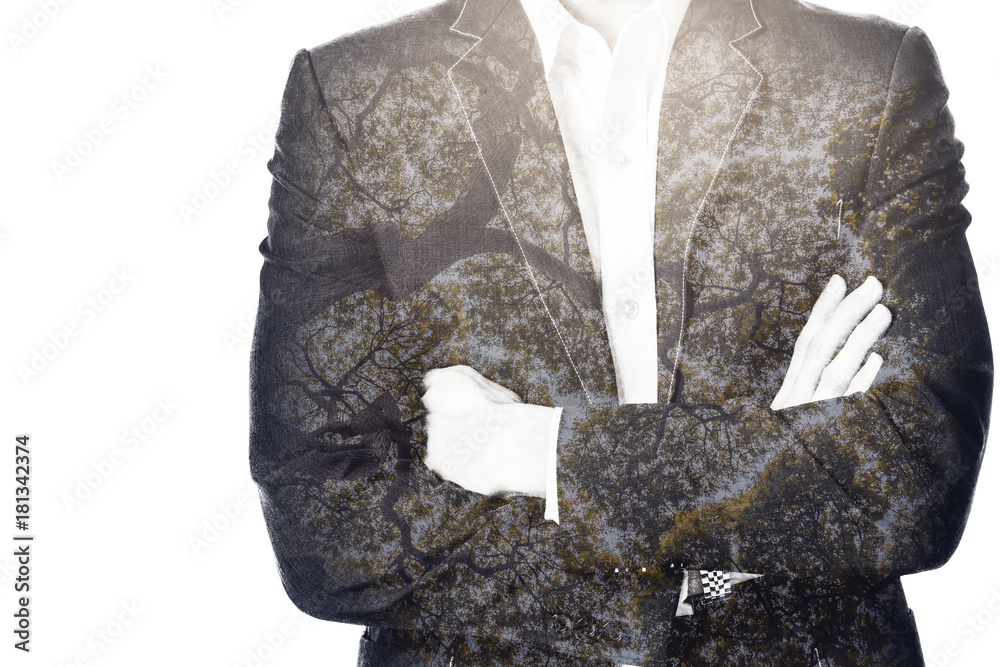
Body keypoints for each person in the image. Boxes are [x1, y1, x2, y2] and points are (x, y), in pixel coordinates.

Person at [249, 0, 993, 664]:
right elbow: (324, 534)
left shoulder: (864, 76)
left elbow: (915, 473)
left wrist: (540, 453)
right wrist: (745, 511)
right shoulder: (353, 93)